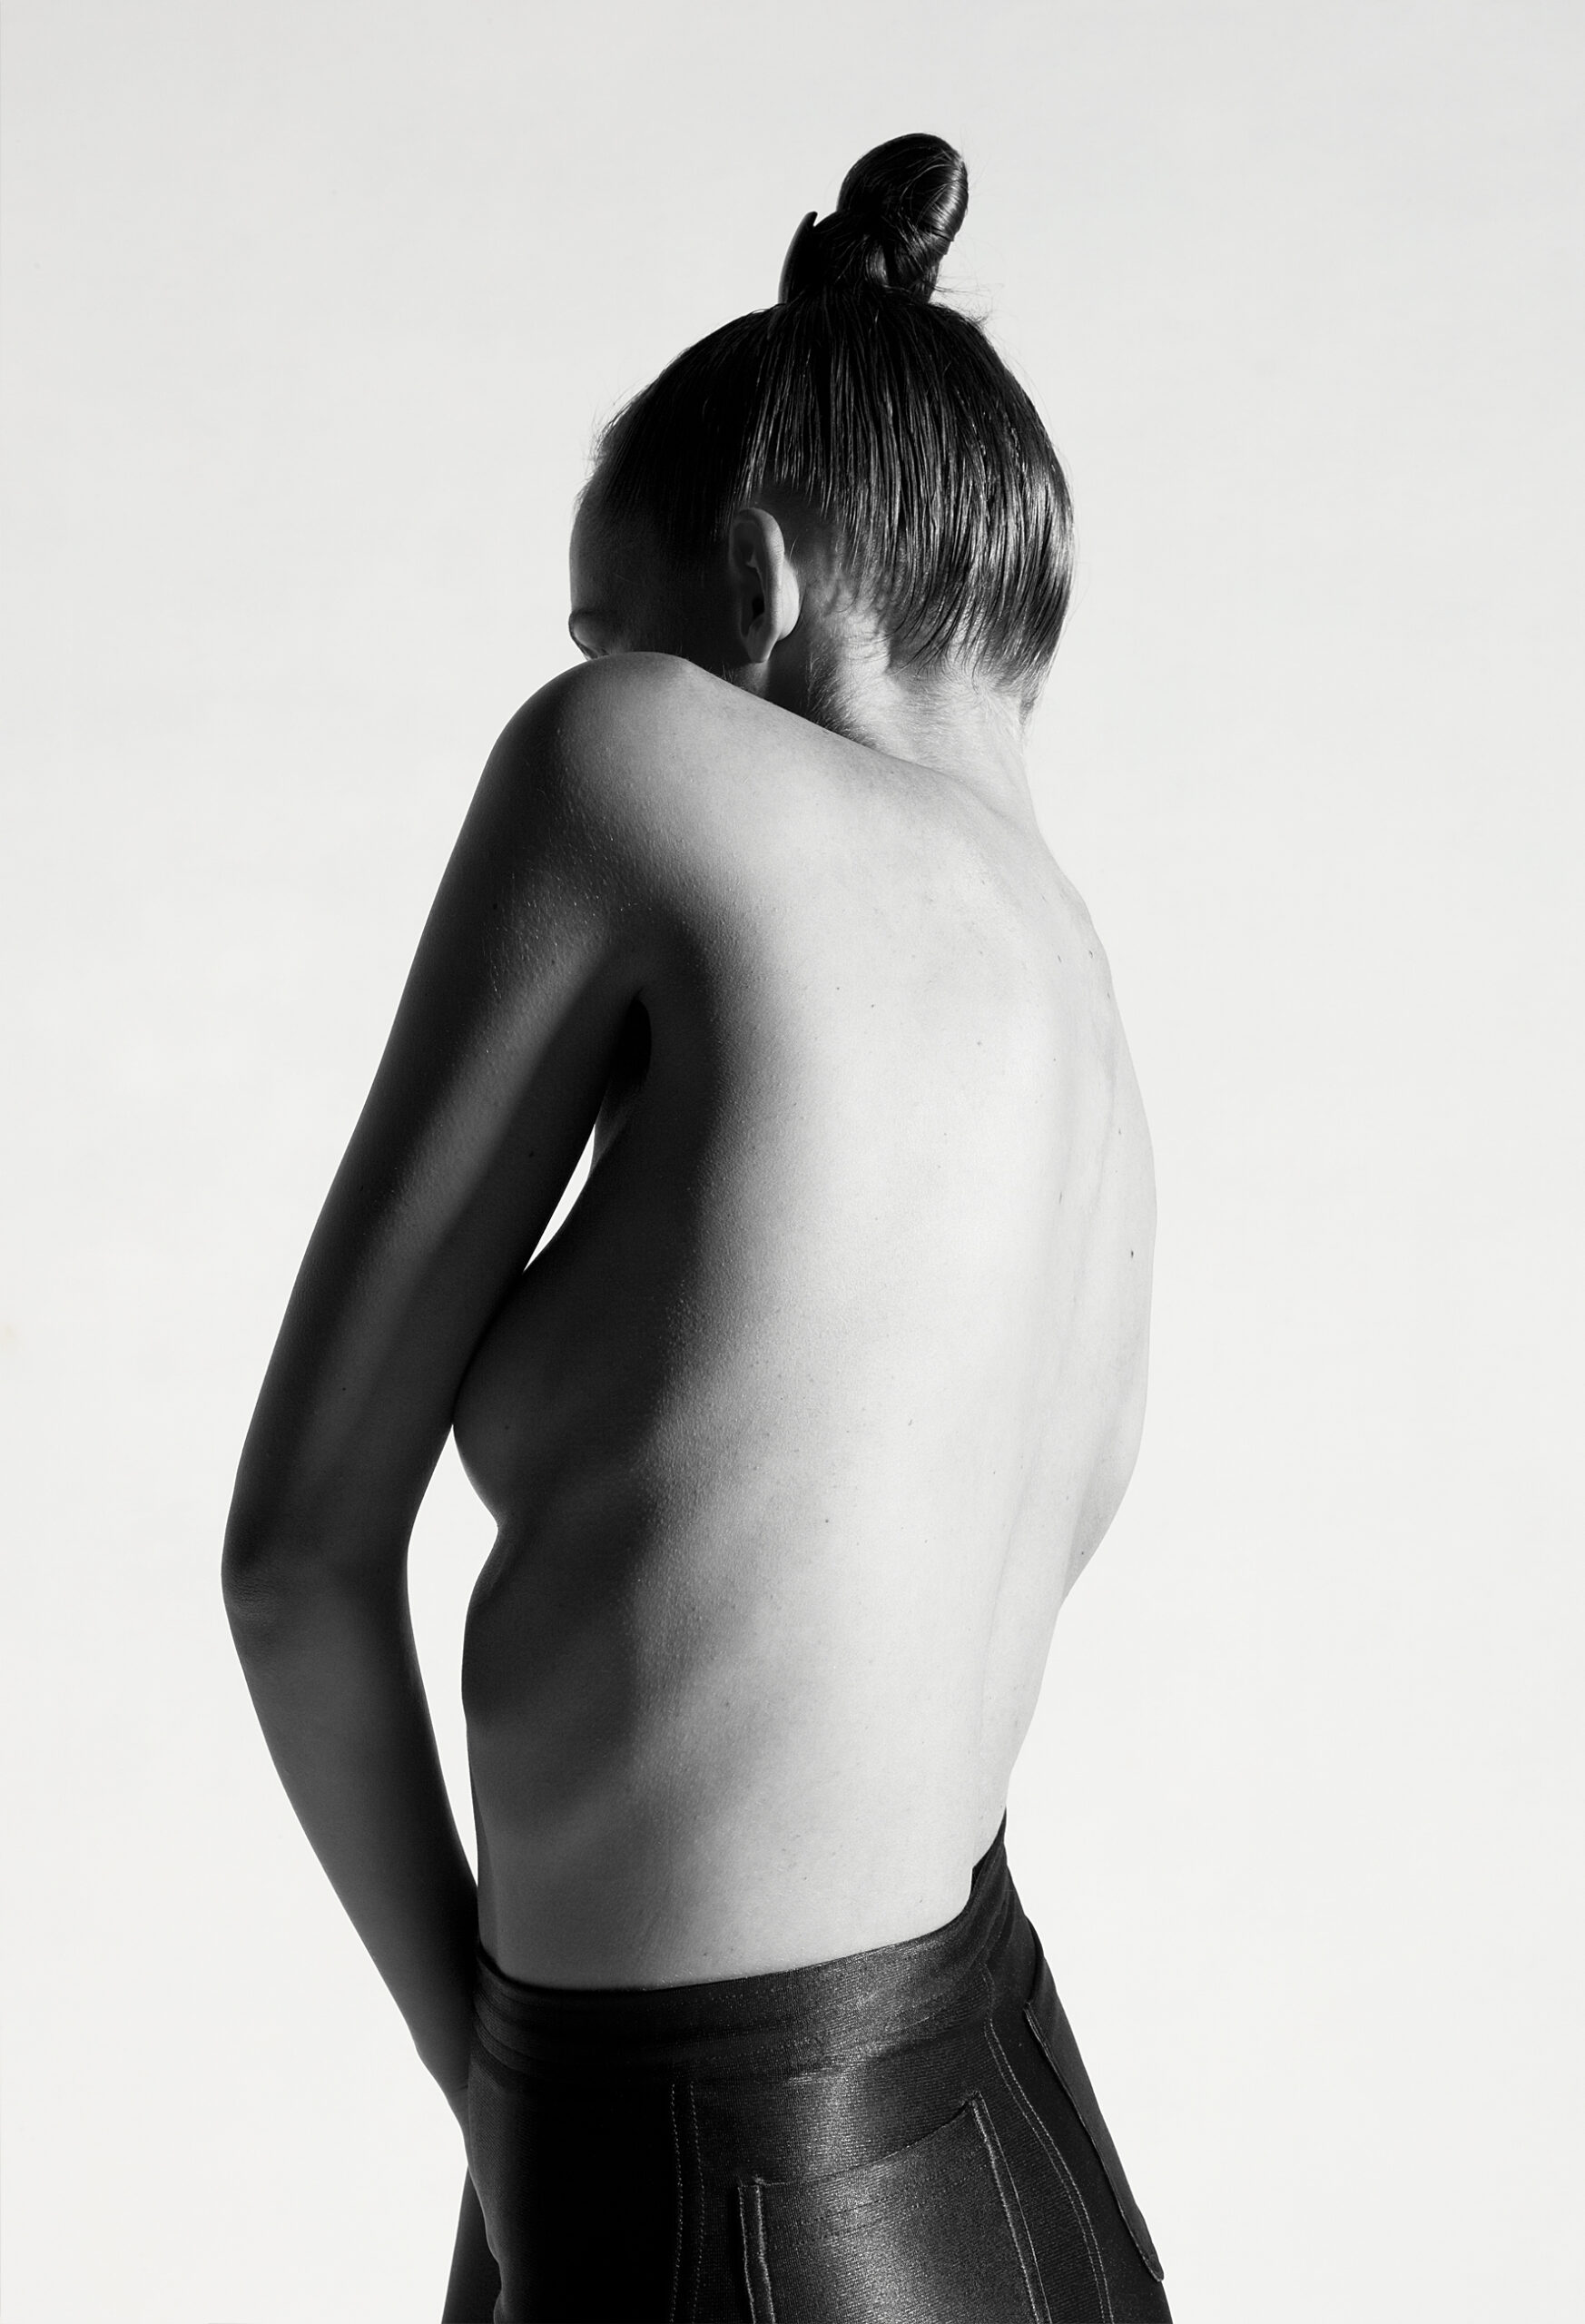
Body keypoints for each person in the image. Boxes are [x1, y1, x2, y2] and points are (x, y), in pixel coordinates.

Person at [222, 133, 1170, 2324]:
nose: (588, 663)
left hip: (705, 2184)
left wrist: (510, 2108)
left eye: (604, 615)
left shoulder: (636, 757)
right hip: (1003, 2139)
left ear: (753, 580)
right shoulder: (1079, 1016)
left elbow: (295, 1561)